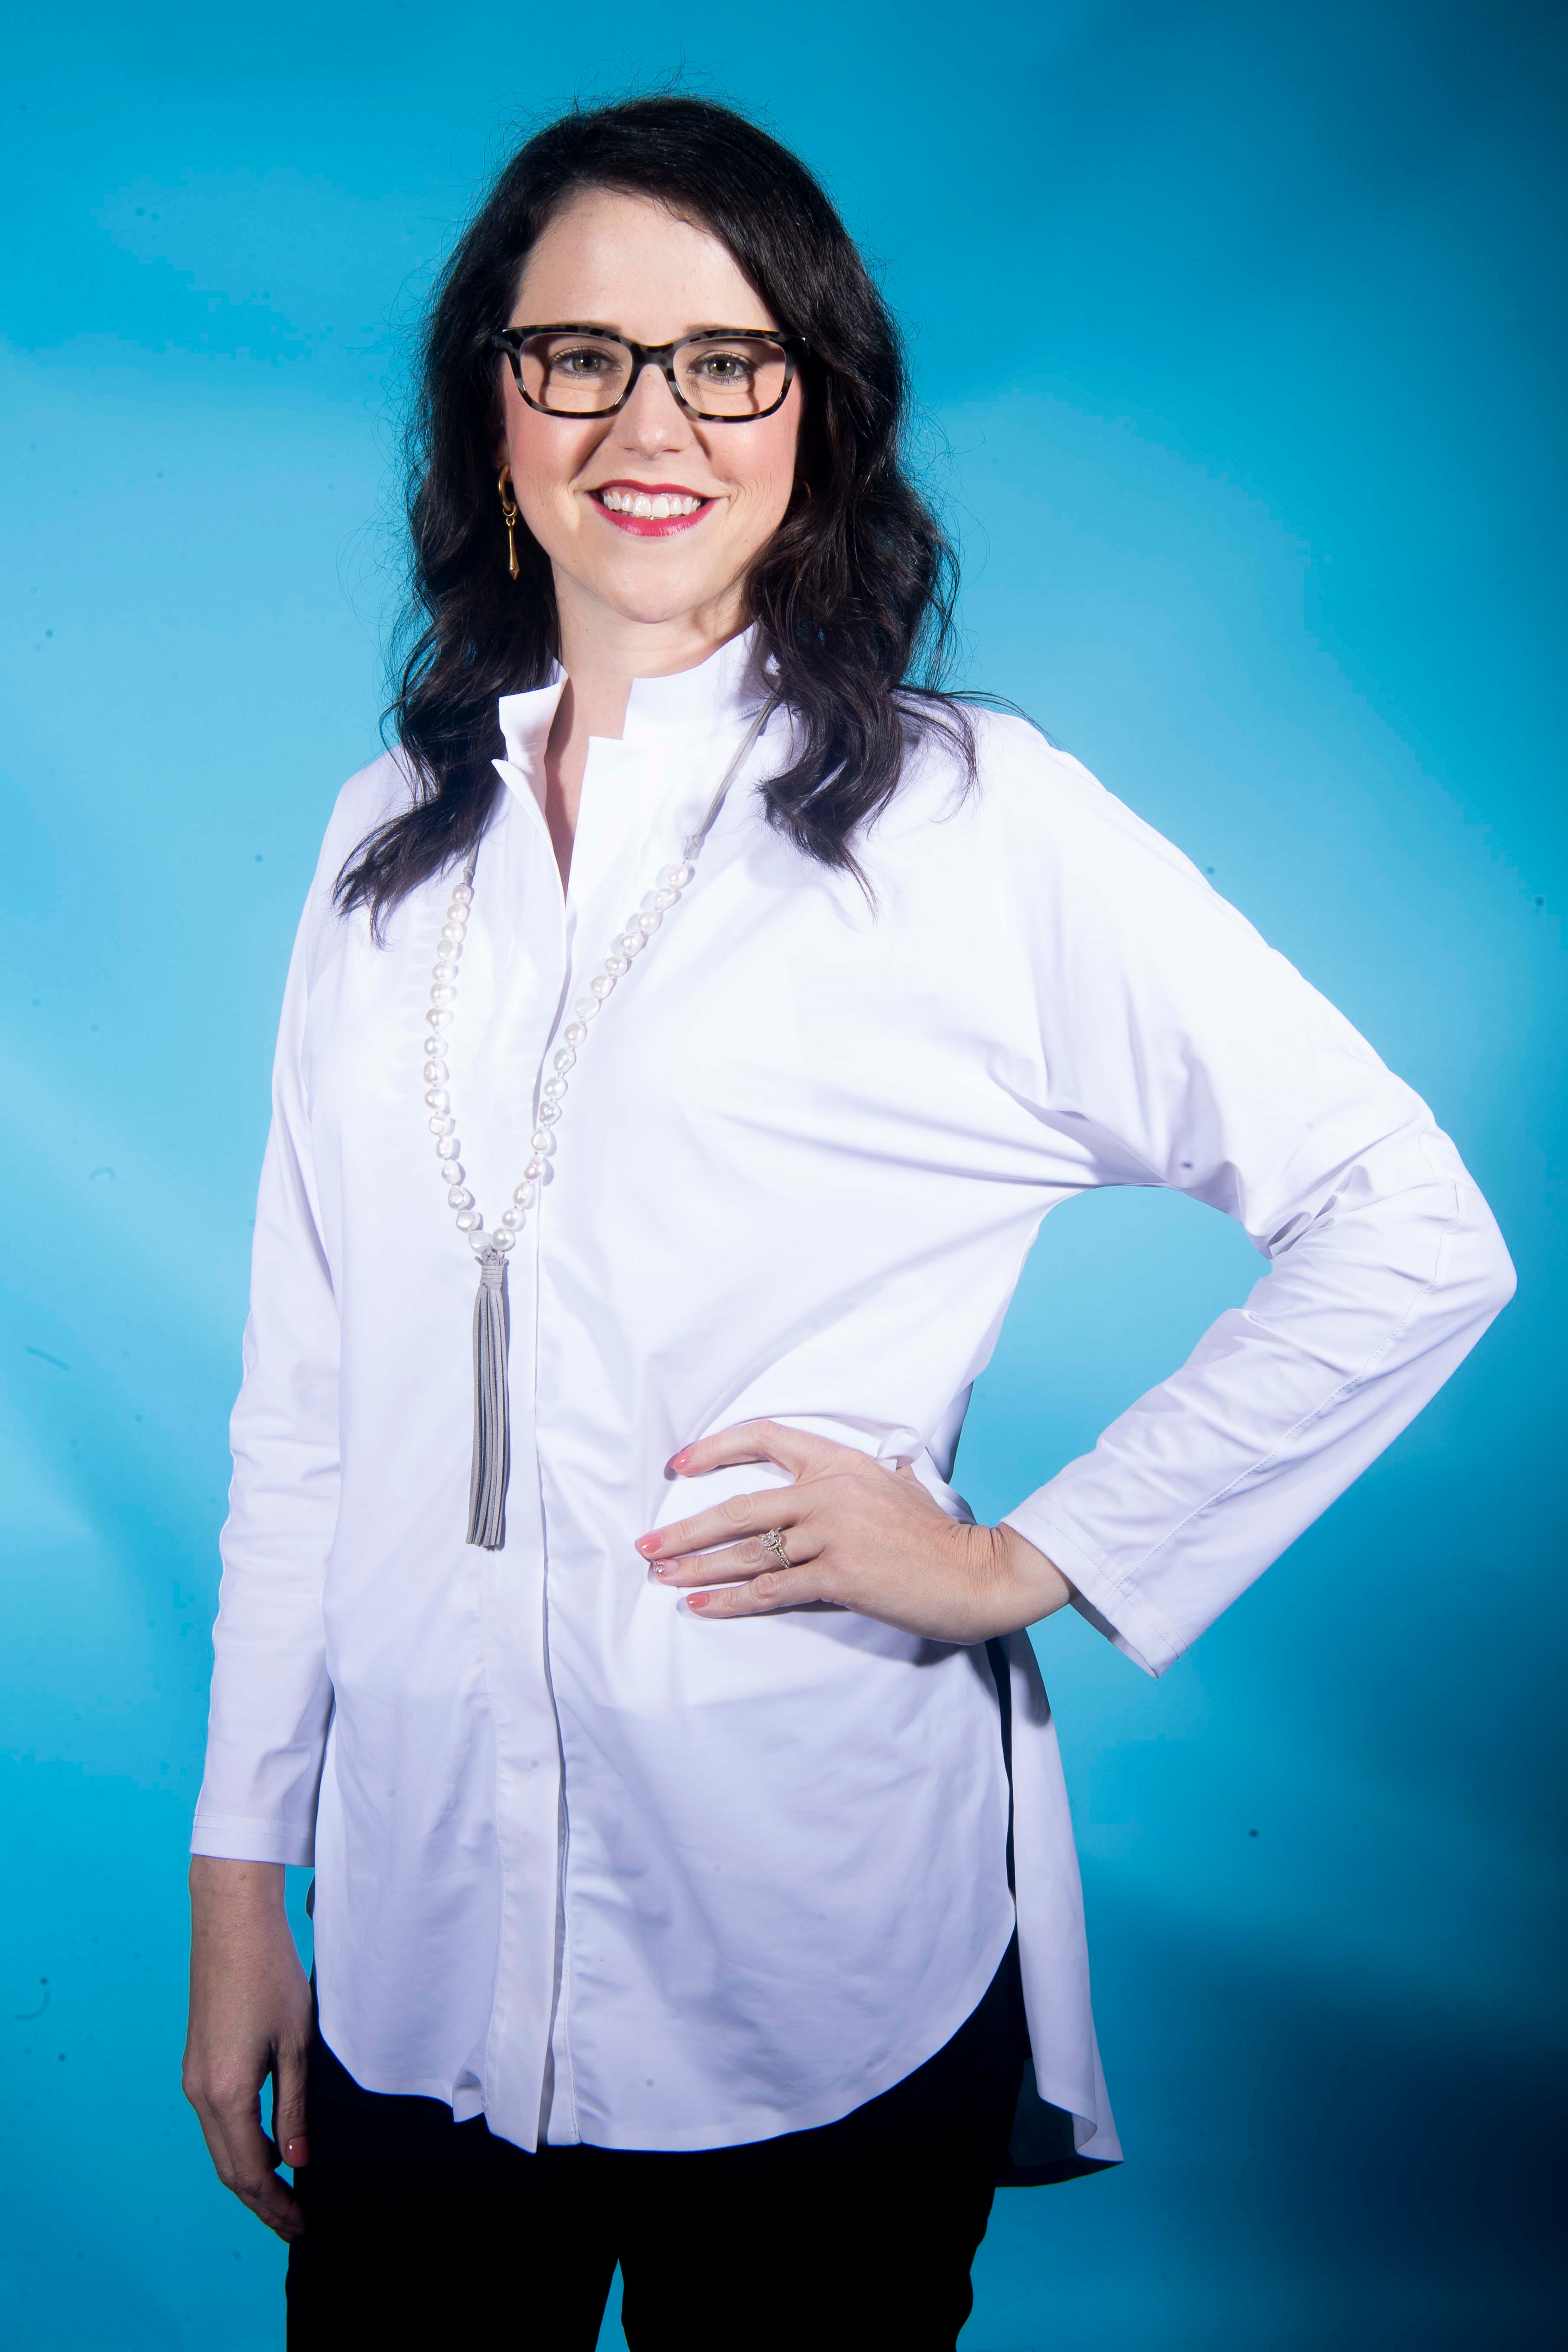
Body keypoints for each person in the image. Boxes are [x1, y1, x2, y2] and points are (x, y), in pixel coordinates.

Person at [181, 95, 1514, 2351]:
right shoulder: (384, 838)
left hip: (807, 1962)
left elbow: (1408, 1224)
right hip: (419, 1947)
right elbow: (308, 1403)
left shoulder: (968, 824)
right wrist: (242, 1877)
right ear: (491, 404)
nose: (650, 424)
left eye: (727, 360)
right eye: (578, 355)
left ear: (815, 411)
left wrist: (1028, 1557)